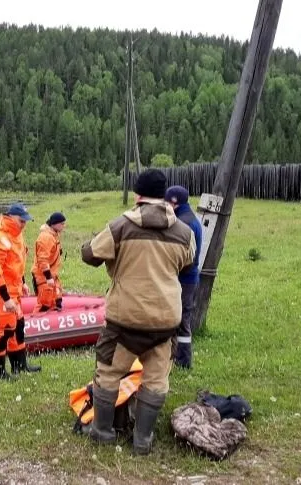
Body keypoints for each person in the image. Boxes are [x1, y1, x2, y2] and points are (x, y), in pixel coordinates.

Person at [81, 169, 195, 454]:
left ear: (137, 195)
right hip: (165, 322)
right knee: (156, 380)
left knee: (108, 374)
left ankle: (103, 432)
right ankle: (143, 440)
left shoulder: (120, 226)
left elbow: (89, 255)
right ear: (165, 196)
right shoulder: (185, 232)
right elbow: (188, 266)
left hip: (125, 322)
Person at [0, 203, 41, 379]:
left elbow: (16, 263)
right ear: (10, 217)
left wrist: (22, 282)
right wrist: (6, 298)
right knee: (5, 329)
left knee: (18, 326)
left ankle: (19, 365)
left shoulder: (17, 235)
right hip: (1, 292)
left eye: (25, 221)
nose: (24, 224)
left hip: (14, 289)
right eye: (21, 221)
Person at [165, 185, 203, 369]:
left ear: (174, 202)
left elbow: (187, 258)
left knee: (181, 320)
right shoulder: (189, 218)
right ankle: (178, 357)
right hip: (188, 278)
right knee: (181, 318)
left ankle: (183, 361)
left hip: (184, 279)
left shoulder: (184, 224)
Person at [32, 212, 66, 312]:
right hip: (43, 276)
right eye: (62, 224)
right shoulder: (46, 237)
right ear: (54, 224)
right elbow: (42, 259)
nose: (63, 226)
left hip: (52, 274)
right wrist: (48, 277)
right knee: (44, 304)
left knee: (57, 300)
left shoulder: (54, 235)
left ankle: (55, 323)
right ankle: (36, 323)